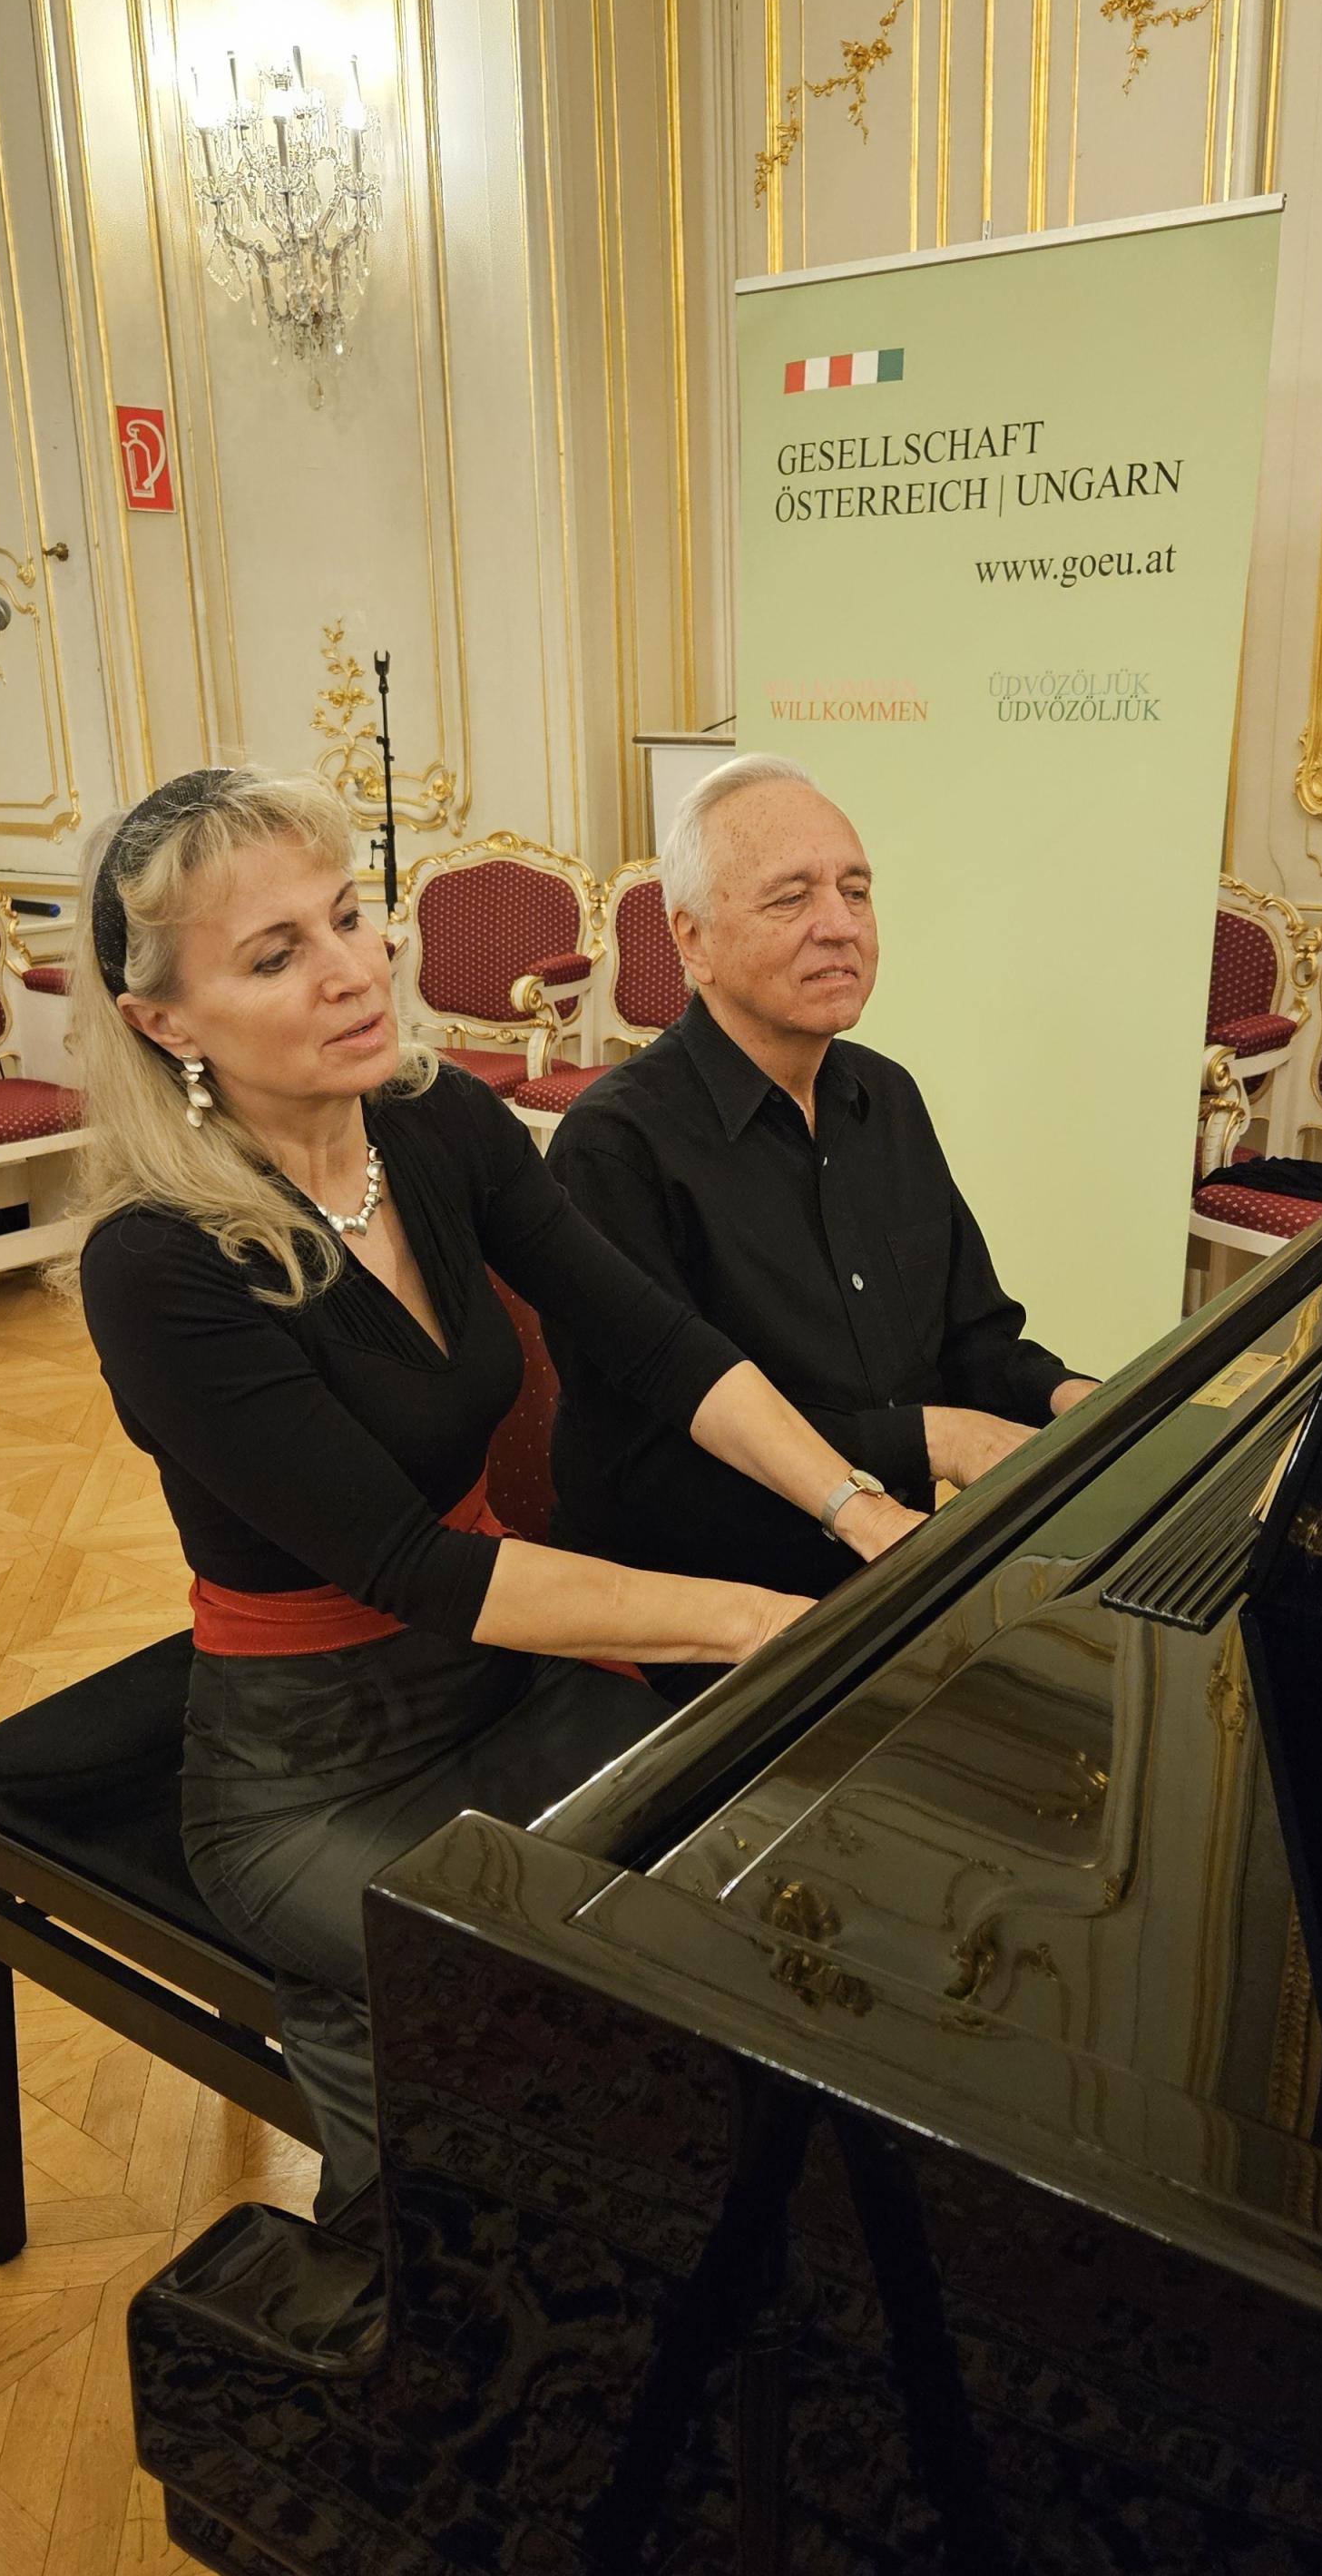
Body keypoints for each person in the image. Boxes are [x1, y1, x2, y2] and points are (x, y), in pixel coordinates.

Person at [65, 767, 924, 2216]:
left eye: (348, 916)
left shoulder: (435, 1121)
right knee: (580, 2021)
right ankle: (405, 2197)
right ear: (166, 1024)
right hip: (315, 1773)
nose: (355, 969)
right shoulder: (155, 1264)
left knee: (753, 1906)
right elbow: (422, 1566)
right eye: (275, 955)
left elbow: (652, 1341)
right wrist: (765, 1623)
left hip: (510, 1685)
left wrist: (863, 1514)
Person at [545, 752, 1096, 1696]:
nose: (840, 924)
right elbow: (647, 1472)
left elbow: (975, 1342)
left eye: (856, 890)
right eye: (791, 897)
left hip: (898, 1574)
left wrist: (1075, 1401)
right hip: (710, 1627)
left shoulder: (886, 1097)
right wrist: (930, 1440)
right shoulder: (615, 1148)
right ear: (693, 941)